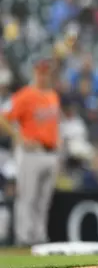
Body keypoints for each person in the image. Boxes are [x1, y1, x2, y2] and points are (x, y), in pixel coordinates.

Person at [0, 57, 61, 246]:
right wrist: (19, 137)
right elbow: (3, 117)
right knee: (27, 197)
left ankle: (39, 238)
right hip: (31, 154)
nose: (43, 75)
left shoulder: (53, 95)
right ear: (35, 72)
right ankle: (24, 239)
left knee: (43, 201)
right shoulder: (25, 95)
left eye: (46, 71)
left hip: (51, 153)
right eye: (40, 71)